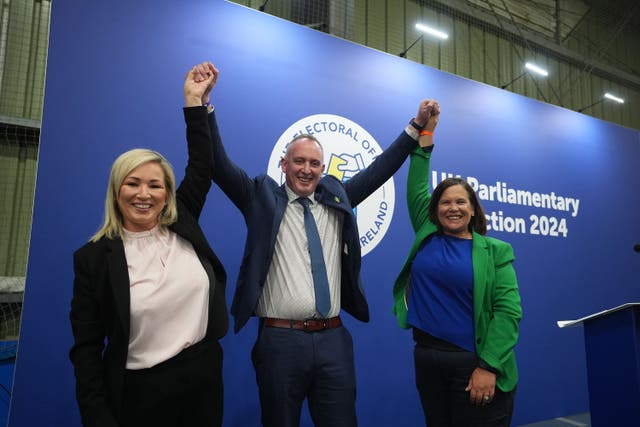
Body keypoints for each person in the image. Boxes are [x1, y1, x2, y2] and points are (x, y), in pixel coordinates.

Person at [195, 61, 434, 427]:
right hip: (279, 340)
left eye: (315, 163)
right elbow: (217, 164)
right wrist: (203, 107)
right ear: (284, 164)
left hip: (334, 340)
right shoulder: (260, 196)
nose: (307, 169)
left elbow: (380, 169)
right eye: (299, 162)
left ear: (323, 169)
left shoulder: (337, 197)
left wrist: (415, 127)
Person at [69, 63, 228, 427]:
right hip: (141, 393)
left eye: (155, 185)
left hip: (203, 381)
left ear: (167, 193)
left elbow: (202, 164)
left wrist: (193, 100)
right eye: (133, 183)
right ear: (116, 191)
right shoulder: (93, 259)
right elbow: (87, 350)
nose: (144, 194)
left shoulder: (182, 220)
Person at [392, 102, 522, 427]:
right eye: (446, 202)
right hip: (427, 358)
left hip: (475, 364)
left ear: (474, 209)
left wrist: (488, 366)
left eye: (461, 201)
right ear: (435, 210)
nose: (453, 208)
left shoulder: (496, 251)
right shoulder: (426, 230)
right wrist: (427, 132)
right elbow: (419, 180)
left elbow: (508, 313)